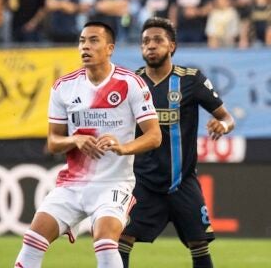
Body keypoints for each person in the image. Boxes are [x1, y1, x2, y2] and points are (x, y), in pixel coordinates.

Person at [13, 21, 161, 268]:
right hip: (73, 185)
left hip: (113, 184)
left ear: (110, 48)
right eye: (82, 41)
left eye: (94, 41)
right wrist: (75, 139)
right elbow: (53, 142)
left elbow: (154, 136)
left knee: (104, 242)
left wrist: (124, 147)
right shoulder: (64, 87)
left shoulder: (130, 83)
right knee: (32, 239)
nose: (85, 47)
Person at [119, 17, 235, 268]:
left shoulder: (191, 79)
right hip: (142, 182)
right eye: (145, 41)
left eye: (158, 40)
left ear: (172, 46)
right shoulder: (131, 83)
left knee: (199, 244)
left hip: (182, 182)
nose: (150, 46)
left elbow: (227, 118)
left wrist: (222, 125)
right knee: (120, 238)